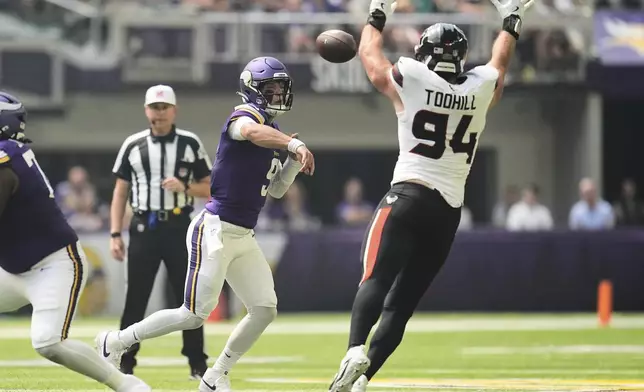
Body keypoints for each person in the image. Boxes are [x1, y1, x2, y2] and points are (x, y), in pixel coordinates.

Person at [327, 0, 535, 389]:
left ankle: (355, 348)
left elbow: (370, 56)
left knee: (374, 277)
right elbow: (500, 65)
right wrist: (511, 21)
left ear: (423, 55)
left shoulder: (412, 77)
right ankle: (364, 379)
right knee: (400, 307)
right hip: (447, 213)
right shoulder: (479, 88)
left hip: (408, 196)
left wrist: (377, 12)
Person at [96, 56, 315, 392]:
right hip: (213, 228)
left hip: (243, 234)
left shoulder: (275, 133)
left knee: (265, 308)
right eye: (270, 87)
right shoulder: (245, 117)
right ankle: (117, 340)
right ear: (252, 89)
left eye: (280, 88)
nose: (277, 94)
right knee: (193, 314)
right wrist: (293, 144)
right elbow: (250, 132)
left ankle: (216, 375)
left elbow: (277, 189)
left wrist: (292, 162)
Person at [0, 92, 150, 392]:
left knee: (49, 342)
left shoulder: (7, 159)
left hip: (52, 264)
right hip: (12, 269)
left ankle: (125, 384)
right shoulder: (11, 153)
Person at [109, 84, 211, 378]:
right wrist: (115, 233)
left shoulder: (189, 143)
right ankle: (125, 360)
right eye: (154, 108)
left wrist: (185, 187)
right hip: (143, 227)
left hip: (180, 226)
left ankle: (196, 361)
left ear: (174, 110)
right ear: (146, 110)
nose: (159, 113)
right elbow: (119, 192)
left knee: (190, 297)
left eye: (164, 108)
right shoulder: (133, 144)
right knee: (136, 298)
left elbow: (210, 187)